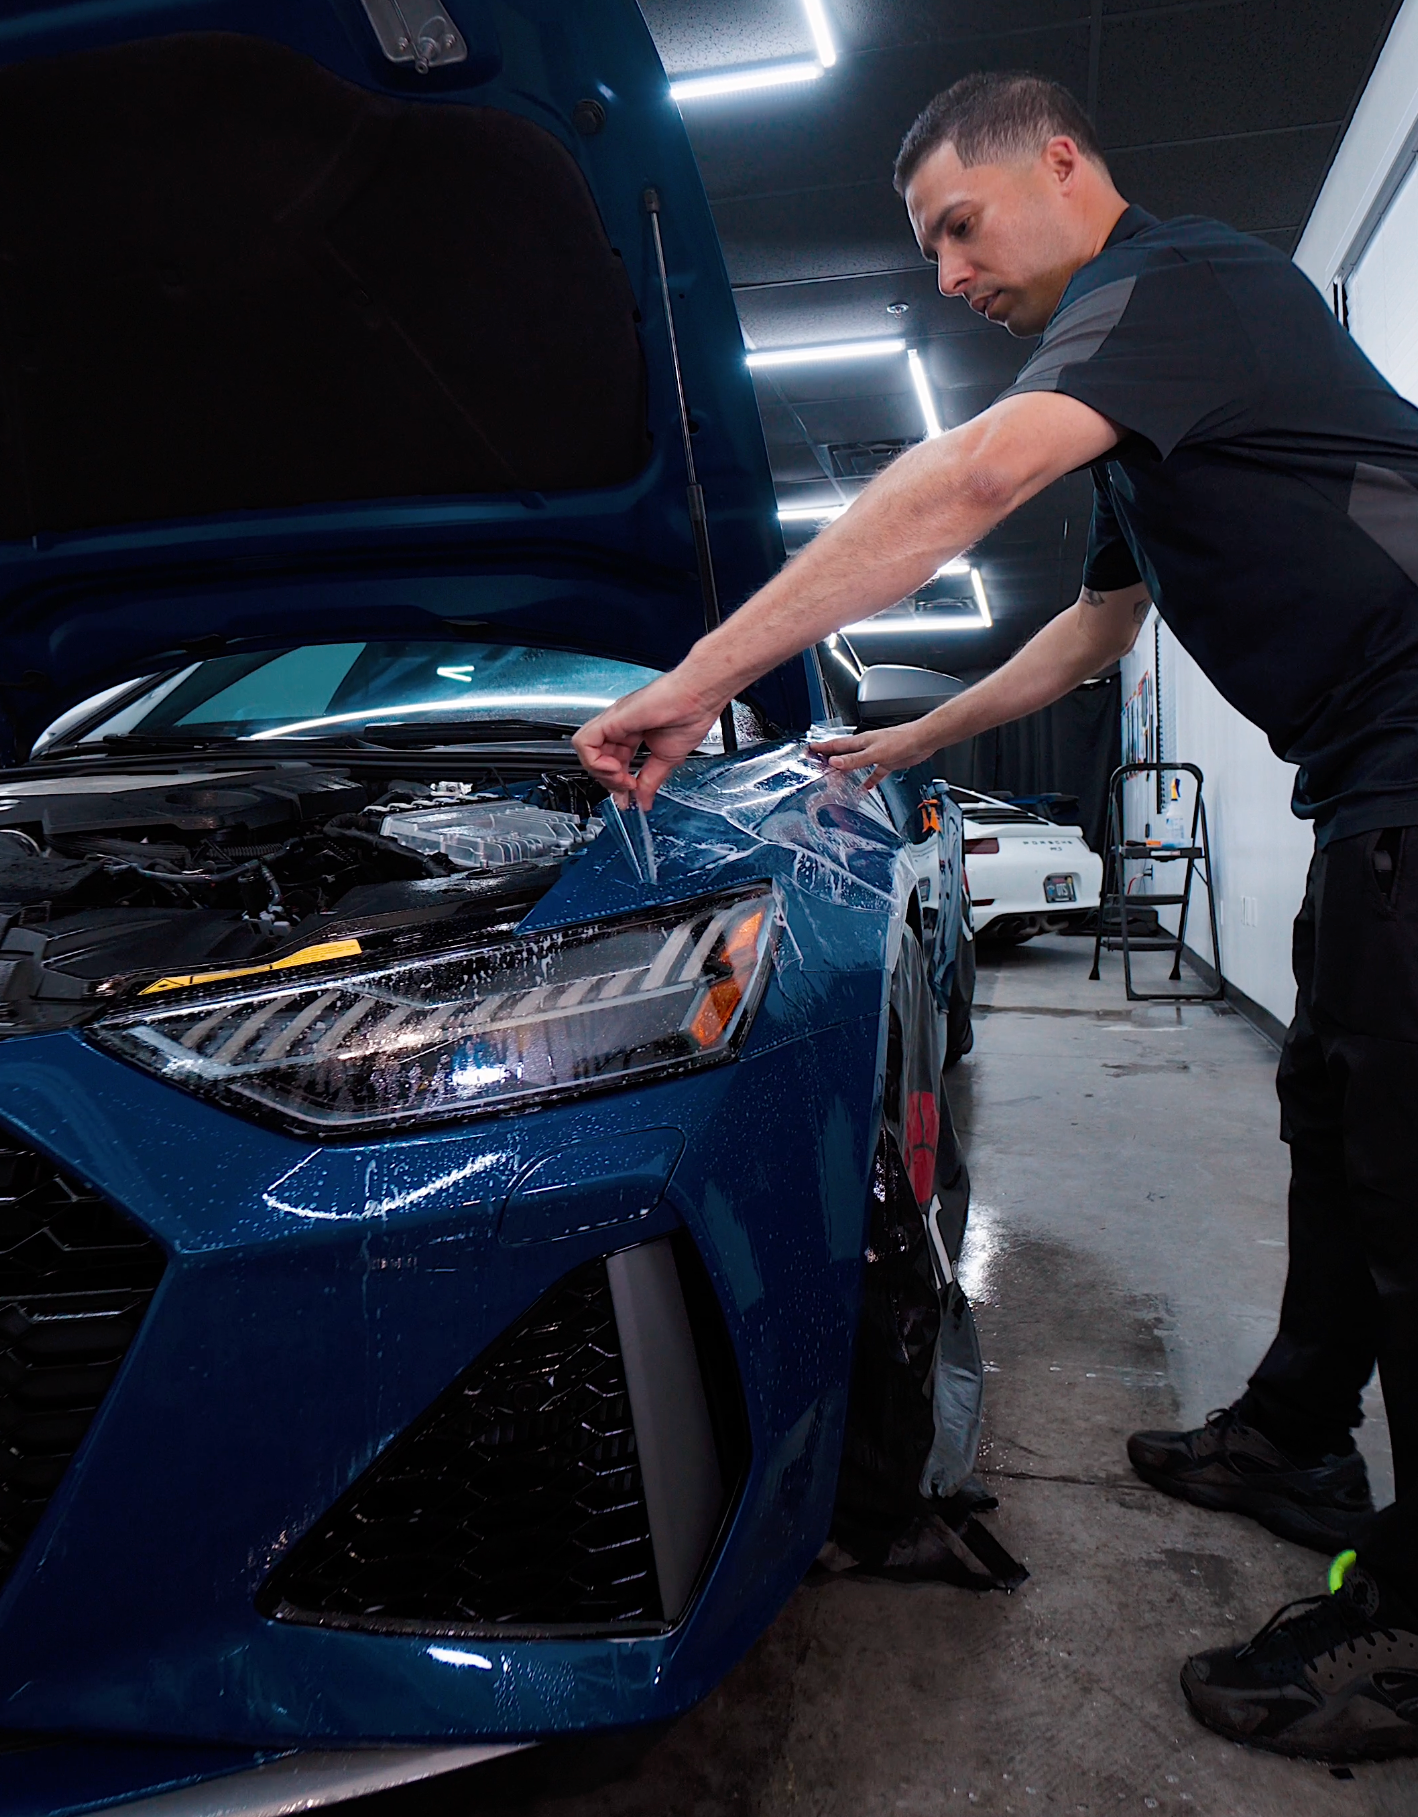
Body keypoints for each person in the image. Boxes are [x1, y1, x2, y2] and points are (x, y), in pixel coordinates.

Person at [573, 70, 1418, 1761]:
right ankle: (1291, 1436)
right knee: (1336, 1122)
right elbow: (1092, 638)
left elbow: (964, 487)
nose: (946, 275)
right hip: (1372, 780)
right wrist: (904, 739)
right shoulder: (1150, 402)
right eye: (928, 248)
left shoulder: (1179, 283)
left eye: (958, 226)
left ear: (1061, 164)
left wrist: (695, 678)